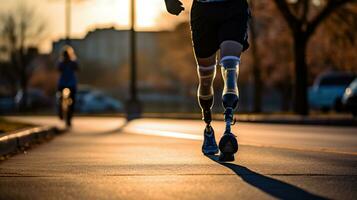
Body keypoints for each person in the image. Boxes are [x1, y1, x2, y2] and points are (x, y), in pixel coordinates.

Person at [164, 0, 250, 161]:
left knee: (230, 66)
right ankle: (208, 124)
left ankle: (228, 127)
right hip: (203, 11)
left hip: (234, 8)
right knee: (205, 77)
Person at [57, 45, 79, 126]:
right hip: (63, 83)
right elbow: (58, 69)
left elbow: (78, 68)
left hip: (70, 83)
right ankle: (60, 111)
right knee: (60, 98)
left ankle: (68, 117)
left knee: (72, 100)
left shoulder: (73, 63)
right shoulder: (61, 63)